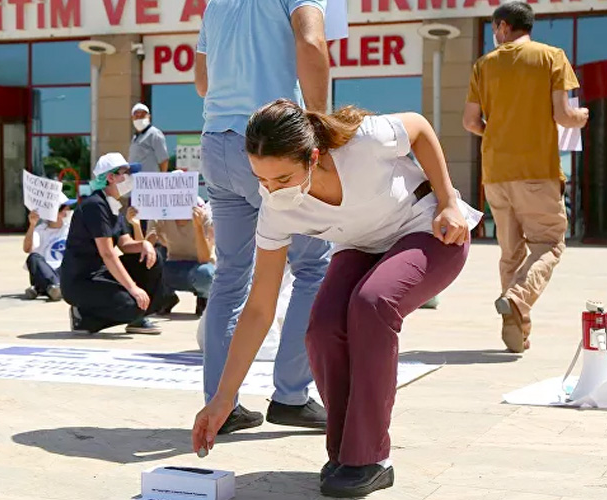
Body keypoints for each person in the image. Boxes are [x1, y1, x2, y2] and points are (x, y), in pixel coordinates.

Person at [192, 100, 482, 497]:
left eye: (282, 178)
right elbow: (260, 307)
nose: (271, 191)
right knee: (323, 327)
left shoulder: (361, 143)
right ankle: (346, 452)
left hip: (431, 230)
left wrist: (448, 201)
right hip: (362, 245)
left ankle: (372, 457)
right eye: (262, 180)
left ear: (313, 156)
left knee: (372, 303)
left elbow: (417, 127)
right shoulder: (277, 208)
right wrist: (223, 397)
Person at [193, 0, 334, 437]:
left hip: (217, 141)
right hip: (269, 145)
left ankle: (223, 402)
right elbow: (310, 42)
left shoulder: (217, 4)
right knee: (314, 266)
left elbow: (202, 81)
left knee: (231, 275)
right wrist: (319, 124)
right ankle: (291, 395)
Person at [462, 1, 588, 353]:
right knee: (549, 243)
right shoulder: (551, 57)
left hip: (496, 174)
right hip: (536, 170)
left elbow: (471, 122)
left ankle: (517, 330)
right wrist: (581, 117)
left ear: (503, 27)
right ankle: (517, 297)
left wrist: (499, 134)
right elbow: (563, 116)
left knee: (511, 253)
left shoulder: (484, 65)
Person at [61, 153, 168, 335]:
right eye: (124, 173)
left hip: (101, 274)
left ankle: (137, 318)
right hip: (81, 281)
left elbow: (125, 244)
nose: (129, 177)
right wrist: (132, 288)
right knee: (130, 304)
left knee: (153, 257)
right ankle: (84, 316)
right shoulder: (95, 205)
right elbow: (108, 253)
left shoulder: (114, 206)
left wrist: (144, 245)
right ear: (110, 178)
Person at [128, 197, 216, 317]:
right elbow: (144, 251)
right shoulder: (160, 216)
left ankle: (203, 298)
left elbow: (204, 258)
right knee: (150, 267)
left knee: (206, 273)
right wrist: (136, 225)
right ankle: (167, 297)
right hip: (173, 265)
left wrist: (198, 227)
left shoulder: (203, 217)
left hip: (199, 267)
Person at [22, 199, 76, 302]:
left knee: (71, 259)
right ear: (55, 213)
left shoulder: (71, 229)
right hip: (43, 271)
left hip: (62, 271)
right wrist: (32, 225)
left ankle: (40, 288)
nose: (68, 212)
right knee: (33, 257)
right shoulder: (40, 230)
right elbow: (27, 249)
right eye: (65, 209)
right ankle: (53, 287)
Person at [128, 103, 170, 174]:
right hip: (135, 180)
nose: (139, 118)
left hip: (149, 181)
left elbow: (163, 160)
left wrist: (162, 178)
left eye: (142, 116)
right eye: (136, 116)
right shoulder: (135, 137)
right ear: (132, 118)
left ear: (149, 117)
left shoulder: (154, 133)